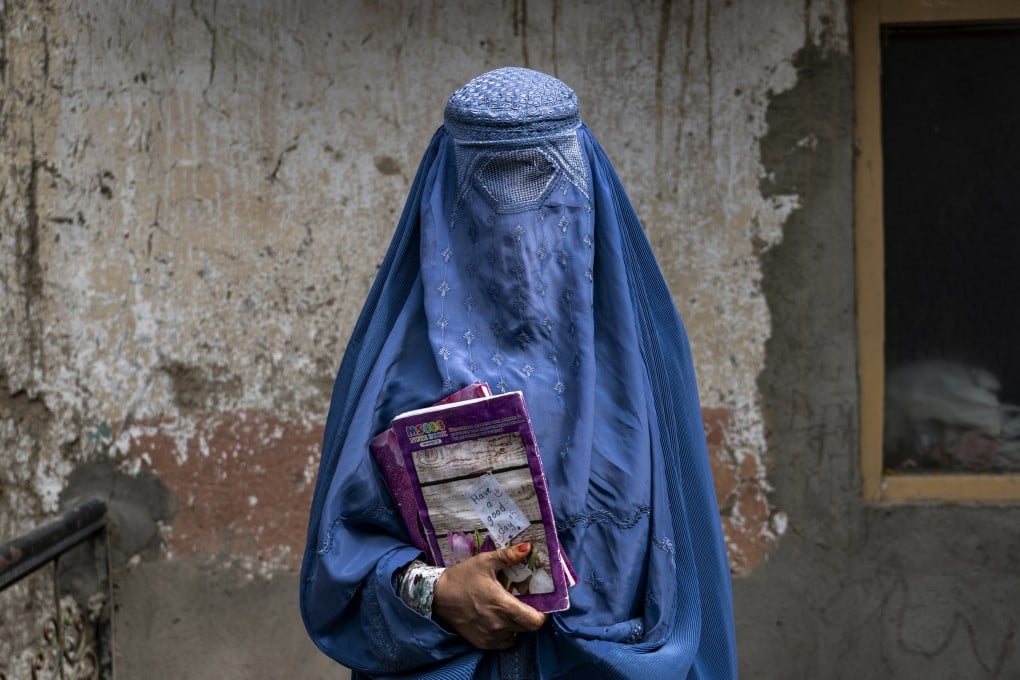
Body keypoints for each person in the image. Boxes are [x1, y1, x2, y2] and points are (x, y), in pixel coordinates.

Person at [300, 67, 737, 679]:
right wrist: (437, 592)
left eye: (540, 177)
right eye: (487, 183)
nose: (516, 232)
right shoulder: (397, 365)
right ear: (444, 192)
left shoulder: (645, 371)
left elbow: (687, 576)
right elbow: (339, 564)